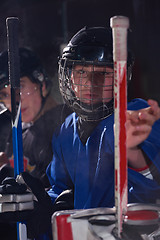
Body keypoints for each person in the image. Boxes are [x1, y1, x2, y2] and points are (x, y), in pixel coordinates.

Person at [0, 26, 160, 240]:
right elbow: (60, 194)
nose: (89, 83)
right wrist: (36, 204)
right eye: (81, 71)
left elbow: (150, 196)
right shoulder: (66, 129)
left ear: (121, 76)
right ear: (68, 76)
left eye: (103, 73)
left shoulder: (133, 118)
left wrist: (133, 152)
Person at [0, 47, 72, 188]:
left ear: (42, 84)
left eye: (19, 87)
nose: (13, 101)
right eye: (4, 94)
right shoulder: (19, 132)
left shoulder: (68, 124)